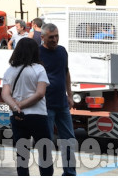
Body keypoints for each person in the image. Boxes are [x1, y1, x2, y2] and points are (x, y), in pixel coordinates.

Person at [1, 37, 53, 176]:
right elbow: (40, 93)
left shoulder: (10, 71)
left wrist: (15, 106)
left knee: (22, 154)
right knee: (44, 152)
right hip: (37, 116)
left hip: (17, 116)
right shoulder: (39, 69)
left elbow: (5, 94)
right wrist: (22, 104)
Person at [39, 23, 77, 176]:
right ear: (42, 38)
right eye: (51, 37)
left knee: (69, 140)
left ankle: (69, 172)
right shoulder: (37, 53)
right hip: (45, 105)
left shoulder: (62, 51)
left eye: (56, 36)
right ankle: (47, 173)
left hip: (61, 104)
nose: (55, 40)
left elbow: (66, 72)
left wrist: (69, 94)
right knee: (46, 142)